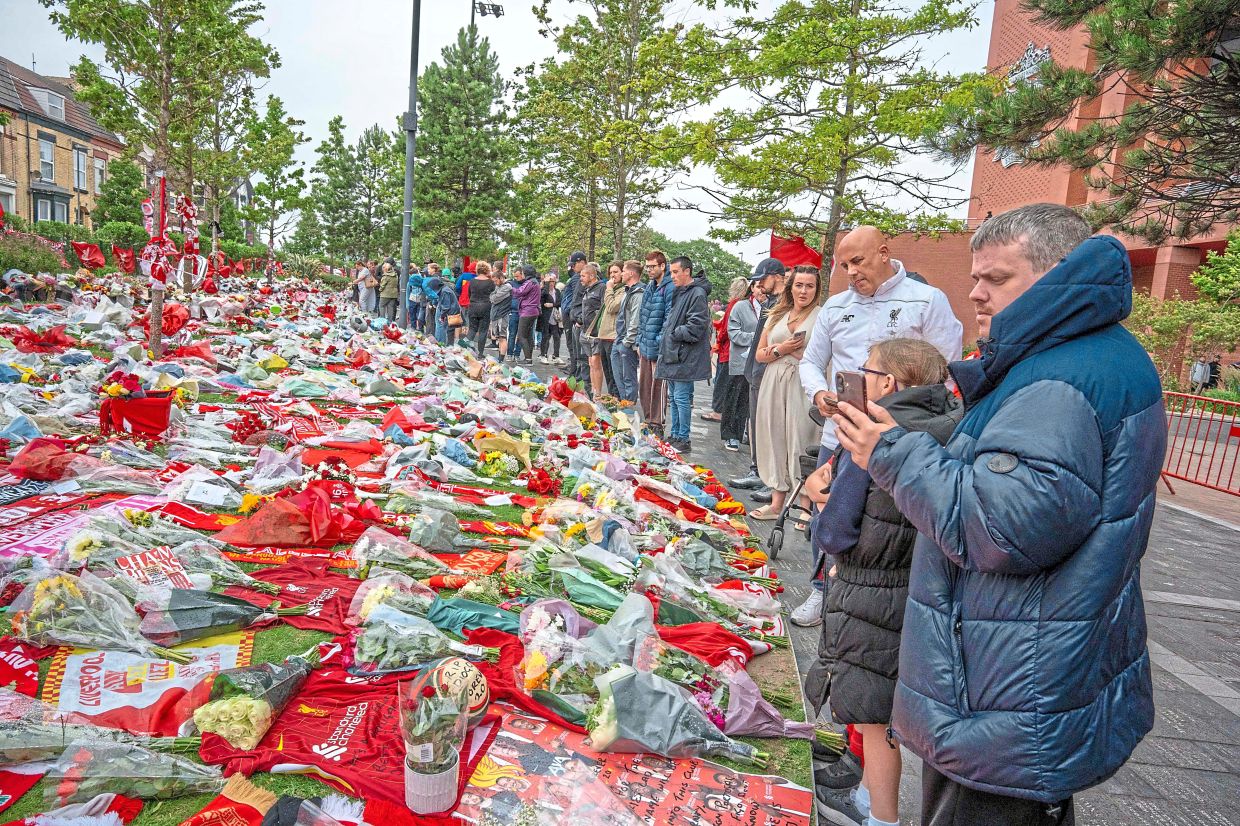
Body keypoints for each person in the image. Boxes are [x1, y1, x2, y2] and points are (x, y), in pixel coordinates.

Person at [834, 204, 1163, 826]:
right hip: (1021, 663)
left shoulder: (1062, 376)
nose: (974, 293)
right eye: (976, 276)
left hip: (1009, 680)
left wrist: (895, 455)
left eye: (997, 278)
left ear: (1056, 274)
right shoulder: (1077, 355)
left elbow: (1002, 527)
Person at [805, 338, 962, 826]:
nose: (860, 379)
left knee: (875, 722)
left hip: (871, 592)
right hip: (916, 588)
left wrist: (816, 498)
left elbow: (836, 530)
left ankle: (881, 816)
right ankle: (871, 805)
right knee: (886, 716)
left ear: (889, 382)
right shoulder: (949, 427)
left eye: (866, 372)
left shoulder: (874, 435)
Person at [792, 226, 963, 628]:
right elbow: (811, 362)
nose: (850, 271)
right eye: (843, 264)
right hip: (840, 433)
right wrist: (819, 395)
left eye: (858, 261)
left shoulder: (926, 301)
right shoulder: (836, 306)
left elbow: (945, 370)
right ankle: (821, 590)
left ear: (884, 253)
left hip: (898, 441)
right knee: (828, 512)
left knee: (882, 527)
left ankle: (882, 605)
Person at [749, 264, 824, 521]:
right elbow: (760, 354)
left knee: (801, 438)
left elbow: (823, 356)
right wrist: (782, 349)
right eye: (799, 285)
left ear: (817, 288)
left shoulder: (823, 316)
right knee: (774, 436)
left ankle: (804, 507)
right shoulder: (777, 313)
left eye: (809, 286)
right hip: (774, 378)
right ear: (791, 287)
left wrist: (793, 352)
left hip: (802, 382)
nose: (803, 291)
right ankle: (777, 501)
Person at [729, 258, 788, 503]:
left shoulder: (785, 303)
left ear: (776, 276)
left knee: (770, 427)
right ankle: (758, 470)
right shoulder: (771, 302)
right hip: (755, 370)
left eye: (762, 279)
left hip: (770, 372)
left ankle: (772, 479)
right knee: (756, 425)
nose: (759, 284)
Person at [655, 256, 711, 452]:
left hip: (684, 356)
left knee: (681, 398)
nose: (673, 276)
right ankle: (676, 434)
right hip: (674, 354)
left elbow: (697, 326)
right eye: (671, 272)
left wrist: (674, 333)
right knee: (674, 398)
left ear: (687, 271)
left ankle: (683, 437)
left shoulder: (696, 294)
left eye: (675, 272)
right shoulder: (681, 292)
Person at [636, 249, 674, 436]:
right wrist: (639, 340)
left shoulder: (669, 287)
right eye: (647, 266)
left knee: (658, 388)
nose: (649, 270)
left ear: (662, 266)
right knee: (644, 387)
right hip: (645, 344)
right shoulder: (650, 286)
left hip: (658, 347)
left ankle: (657, 424)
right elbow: (642, 316)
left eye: (652, 266)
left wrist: (658, 341)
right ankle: (648, 419)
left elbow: (669, 319)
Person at [718, 277, 753, 451]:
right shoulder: (739, 306)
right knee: (734, 396)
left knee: (748, 400)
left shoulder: (771, 307)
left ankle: (745, 432)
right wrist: (757, 337)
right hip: (736, 357)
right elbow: (730, 331)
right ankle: (732, 434)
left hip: (758, 362)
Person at [610, 260, 645, 403]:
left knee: (628, 376)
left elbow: (635, 320)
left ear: (631, 273)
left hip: (627, 341)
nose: (621, 273)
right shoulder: (627, 290)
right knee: (618, 373)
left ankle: (629, 403)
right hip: (619, 338)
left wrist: (628, 342)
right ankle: (623, 401)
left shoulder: (638, 293)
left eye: (623, 270)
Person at [574, 263, 607, 393]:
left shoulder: (602, 288)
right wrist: (581, 320)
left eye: (583, 276)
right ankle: (593, 391)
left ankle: (597, 393)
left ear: (592, 276)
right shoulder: (587, 289)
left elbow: (604, 309)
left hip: (596, 333)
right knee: (590, 363)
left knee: (596, 363)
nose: (580, 278)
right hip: (585, 331)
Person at [594, 262, 626, 396]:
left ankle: (618, 399)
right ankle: (612, 399)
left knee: (614, 373)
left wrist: (609, 289)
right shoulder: (614, 289)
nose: (613, 275)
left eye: (616, 272)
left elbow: (612, 306)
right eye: (611, 272)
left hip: (613, 336)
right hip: (604, 335)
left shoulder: (623, 290)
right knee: (607, 371)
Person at [561, 251, 587, 377]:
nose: (572, 267)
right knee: (572, 345)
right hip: (571, 313)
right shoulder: (575, 276)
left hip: (573, 315)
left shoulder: (578, 278)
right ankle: (574, 371)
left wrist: (573, 313)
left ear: (582, 263)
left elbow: (578, 298)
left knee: (573, 346)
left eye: (574, 264)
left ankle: (575, 373)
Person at [513, 265, 542, 364]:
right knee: (529, 336)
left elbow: (519, 292)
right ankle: (529, 358)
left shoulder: (530, 282)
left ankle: (528, 359)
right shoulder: (535, 282)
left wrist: (510, 288)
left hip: (527, 311)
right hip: (533, 311)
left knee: (521, 335)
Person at [465, 261, 495, 354]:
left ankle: (466, 351)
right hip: (486, 306)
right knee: (483, 330)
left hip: (473, 306)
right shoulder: (490, 282)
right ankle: (481, 353)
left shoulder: (472, 281)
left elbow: (469, 294)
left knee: (472, 329)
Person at [538, 275, 564, 363]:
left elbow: (560, 302)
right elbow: (541, 300)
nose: (551, 283)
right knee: (545, 337)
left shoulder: (557, 291)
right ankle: (543, 355)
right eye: (549, 282)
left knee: (556, 337)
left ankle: (556, 356)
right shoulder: (544, 291)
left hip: (555, 318)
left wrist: (552, 305)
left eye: (553, 281)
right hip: (546, 317)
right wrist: (545, 285)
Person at [489, 268, 513, 362]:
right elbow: (492, 296)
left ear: (501, 278)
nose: (495, 283)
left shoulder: (506, 287)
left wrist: (493, 296)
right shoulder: (498, 287)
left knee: (502, 337)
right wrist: (493, 296)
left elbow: (494, 298)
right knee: (499, 337)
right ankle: (500, 358)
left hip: (502, 314)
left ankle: (501, 359)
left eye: (496, 281)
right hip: (496, 314)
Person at [377, 258, 400, 322]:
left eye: (383, 268)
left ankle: (382, 321)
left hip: (385, 294)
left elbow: (382, 286)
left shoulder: (385, 276)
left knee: (381, 306)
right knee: (390, 308)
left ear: (385, 269)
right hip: (393, 294)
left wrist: (380, 290)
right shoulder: (395, 275)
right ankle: (390, 322)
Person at [407, 265, 425, 331]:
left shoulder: (421, 280)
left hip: (420, 300)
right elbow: (408, 292)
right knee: (412, 315)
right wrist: (407, 303)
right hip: (412, 299)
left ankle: (420, 328)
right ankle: (413, 328)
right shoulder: (410, 282)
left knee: (419, 316)